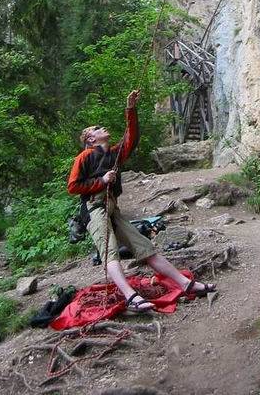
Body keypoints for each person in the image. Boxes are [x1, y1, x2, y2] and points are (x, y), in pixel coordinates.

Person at [67, 89, 216, 313]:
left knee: (145, 247)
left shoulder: (114, 153)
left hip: (112, 210)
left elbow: (131, 139)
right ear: (90, 139)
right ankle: (131, 297)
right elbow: (73, 186)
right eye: (97, 128)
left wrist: (131, 108)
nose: (102, 128)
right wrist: (101, 181)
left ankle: (186, 284)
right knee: (110, 252)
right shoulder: (84, 157)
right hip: (94, 209)